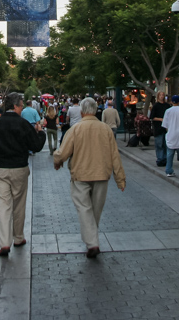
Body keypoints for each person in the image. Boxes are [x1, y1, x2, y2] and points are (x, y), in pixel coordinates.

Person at [53, 97, 125, 258]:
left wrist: (57, 160)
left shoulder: (76, 129)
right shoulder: (105, 129)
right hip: (101, 174)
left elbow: (63, 151)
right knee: (95, 209)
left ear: (82, 111)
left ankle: (92, 242)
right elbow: (115, 155)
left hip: (80, 174)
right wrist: (120, 178)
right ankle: (93, 240)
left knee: (84, 209)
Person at [0, 92, 45, 256]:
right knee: (19, 204)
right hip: (19, 168)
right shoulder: (23, 124)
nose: (22, 108)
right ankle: (18, 237)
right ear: (16, 106)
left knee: (3, 206)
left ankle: (4, 243)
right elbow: (36, 146)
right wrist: (41, 133)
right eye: (21, 105)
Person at [149, 93, 170, 167]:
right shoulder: (156, 106)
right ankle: (160, 159)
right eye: (160, 95)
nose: (162, 97)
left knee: (165, 144)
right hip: (158, 128)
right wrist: (161, 119)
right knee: (159, 144)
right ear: (158, 97)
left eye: (163, 95)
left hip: (166, 128)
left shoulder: (167, 106)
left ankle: (165, 159)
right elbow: (152, 117)